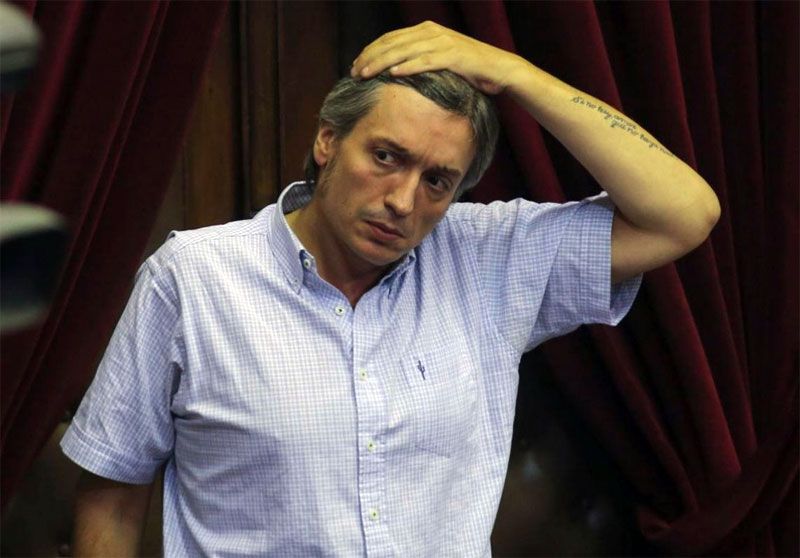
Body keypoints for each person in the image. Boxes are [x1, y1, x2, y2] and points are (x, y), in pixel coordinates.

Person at [62, 22, 720, 557]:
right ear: (328, 140)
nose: (403, 201)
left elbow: (684, 214)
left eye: (437, 181)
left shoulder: (488, 257)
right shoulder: (194, 278)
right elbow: (112, 494)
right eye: (386, 157)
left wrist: (518, 74)